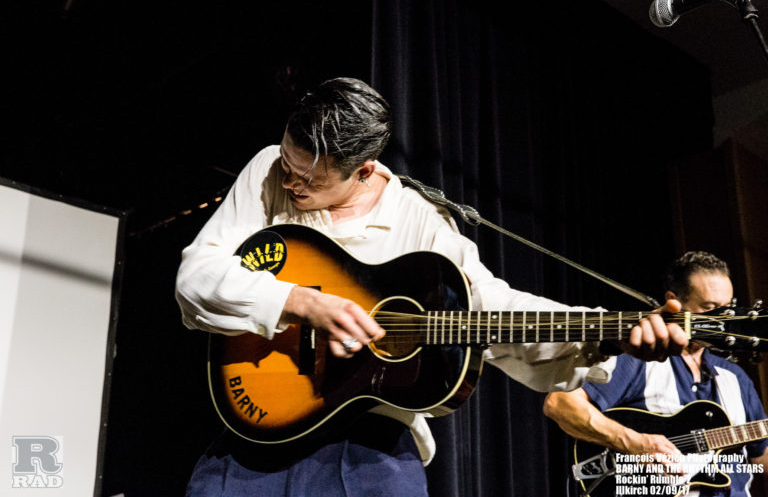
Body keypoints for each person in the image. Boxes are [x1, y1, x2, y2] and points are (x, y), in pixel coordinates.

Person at [175, 77, 687, 495]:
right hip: (258, 425)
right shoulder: (269, 169)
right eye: (289, 167)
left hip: (367, 449)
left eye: (309, 180)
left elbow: (493, 307)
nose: (290, 184)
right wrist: (300, 301)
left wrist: (604, 333)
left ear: (363, 170)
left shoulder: (421, 223)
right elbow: (197, 276)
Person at [543, 251, 768, 497]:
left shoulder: (735, 377)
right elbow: (560, 403)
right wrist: (634, 443)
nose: (723, 320)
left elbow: (760, 456)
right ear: (674, 302)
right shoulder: (636, 360)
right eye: (710, 308)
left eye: (727, 309)